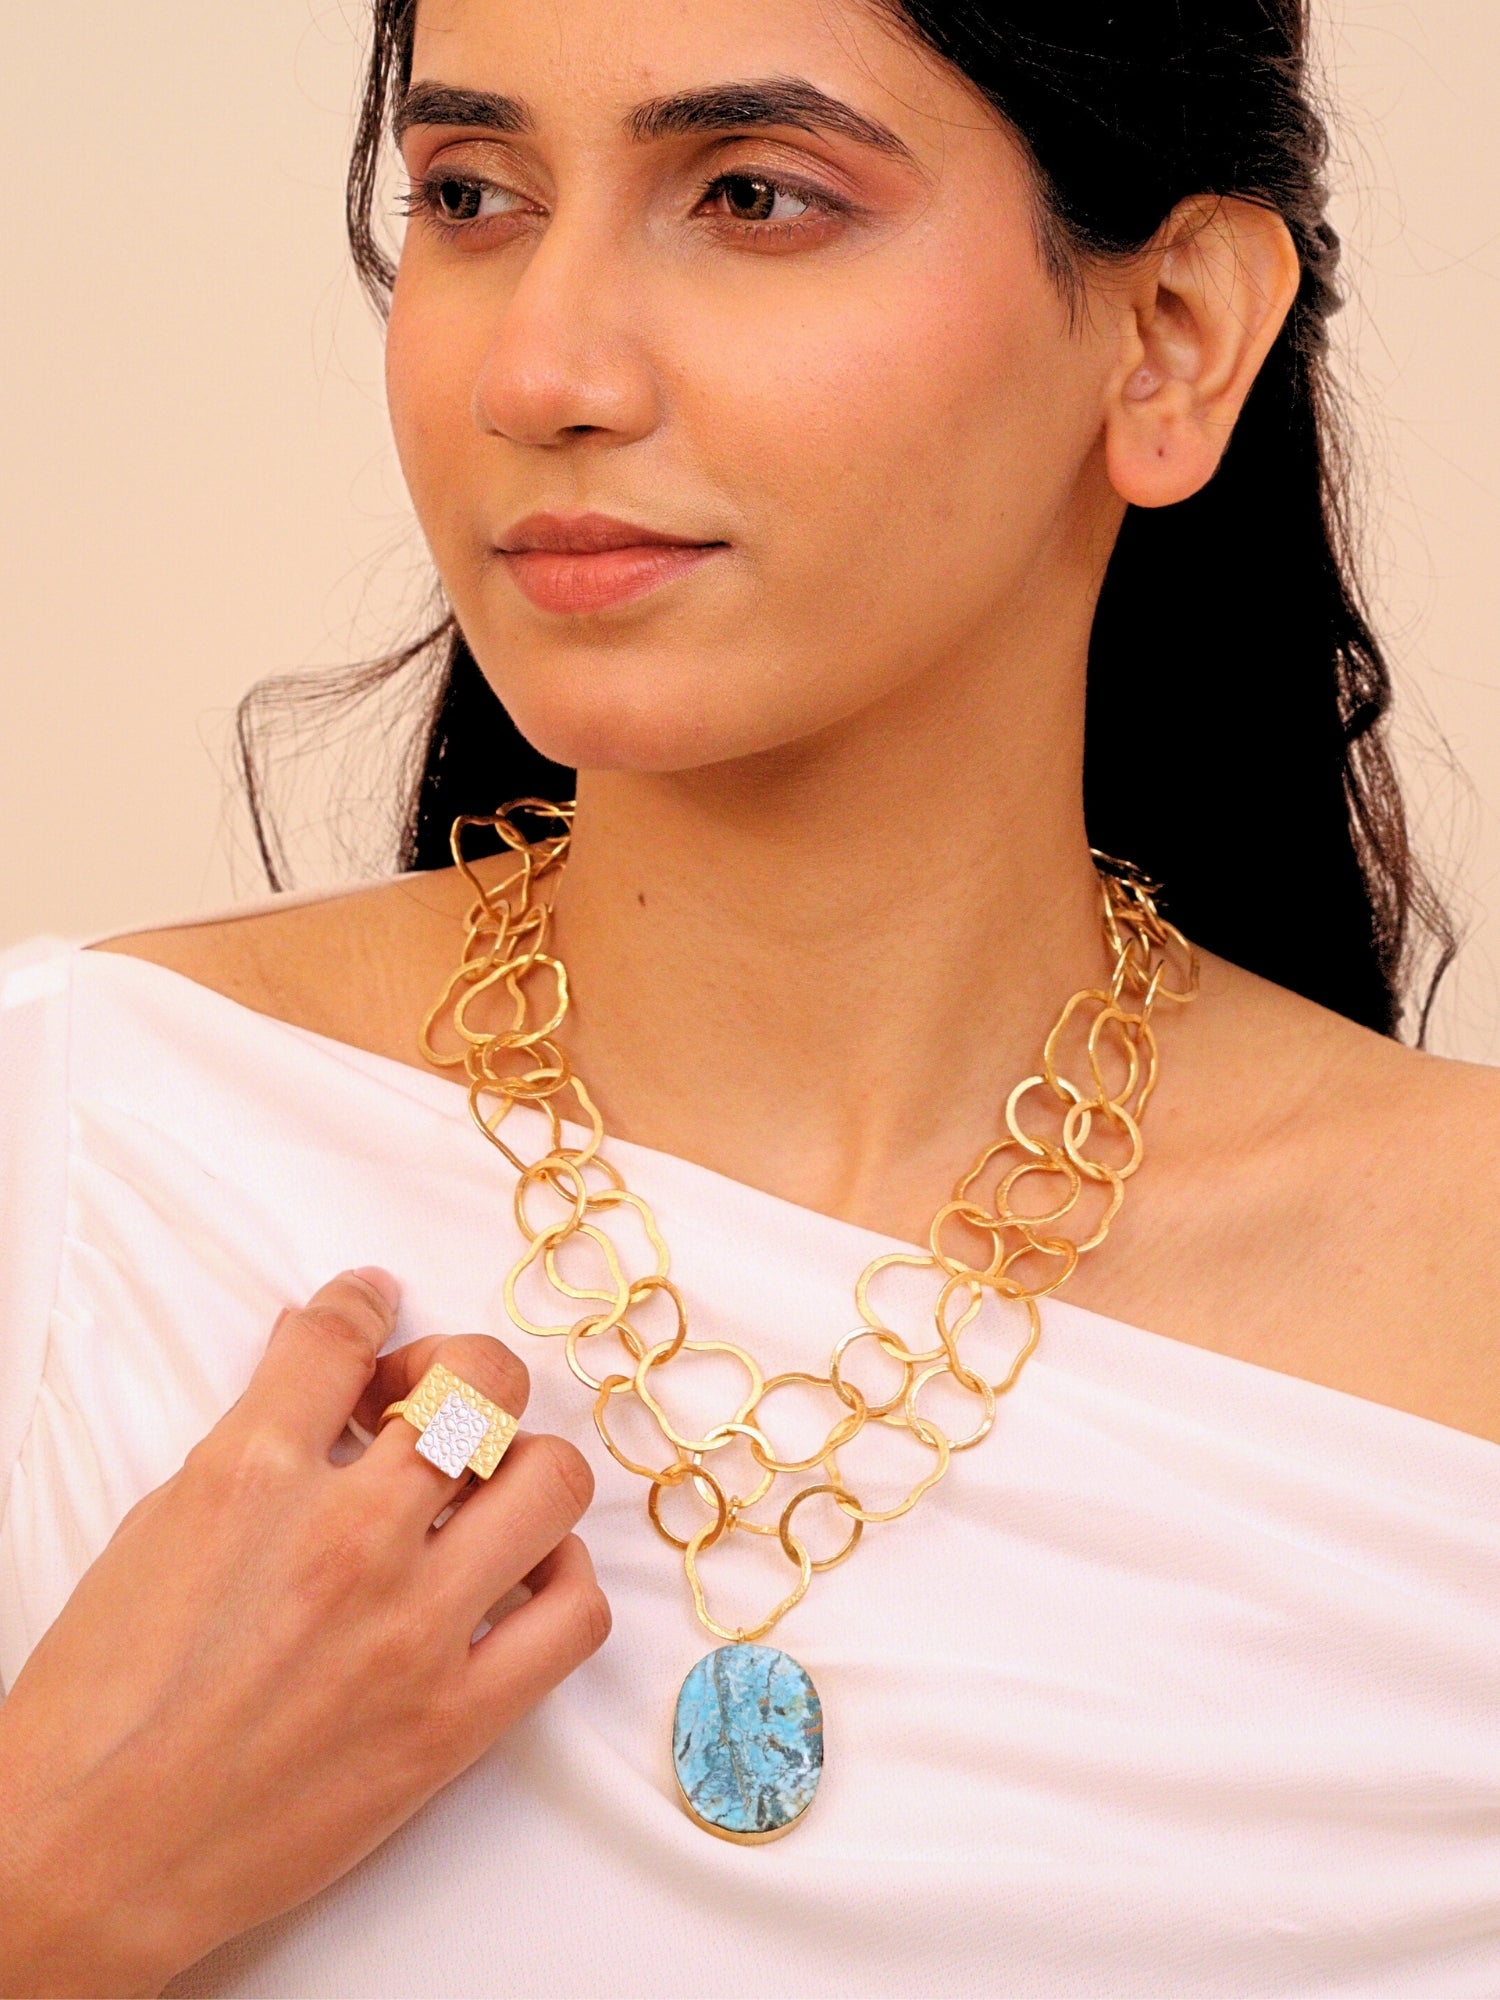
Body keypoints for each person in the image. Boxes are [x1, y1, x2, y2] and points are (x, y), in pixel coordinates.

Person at [1, 0, 1497, 1992]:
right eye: (474, 196)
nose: (541, 371)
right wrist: (60, 1880)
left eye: (756, 196)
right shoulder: (75, 1164)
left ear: (1171, 337)